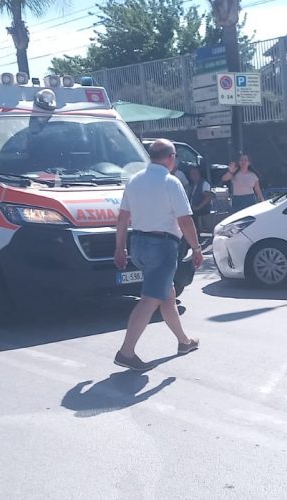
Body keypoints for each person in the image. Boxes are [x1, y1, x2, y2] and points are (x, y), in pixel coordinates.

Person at [113, 139, 203, 371]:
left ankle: (184, 341)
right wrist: (196, 247)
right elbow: (185, 219)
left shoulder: (134, 180)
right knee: (150, 299)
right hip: (161, 247)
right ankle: (126, 352)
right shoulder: (170, 182)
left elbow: (122, 217)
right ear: (171, 157)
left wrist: (120, 247)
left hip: (138, 244)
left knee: (167, 294)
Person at [189, 167, 213, 235]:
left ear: (199, 174)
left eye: (195, 173)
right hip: (193, 209)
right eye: (191, 174)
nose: (193, 175)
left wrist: (198, 207)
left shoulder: (204, 183)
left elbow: (209, 196)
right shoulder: (192, 185)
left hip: (203, 210)